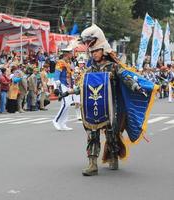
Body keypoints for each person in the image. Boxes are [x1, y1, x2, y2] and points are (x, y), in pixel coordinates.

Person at [62, 24, 158, 176]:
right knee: (92, 135)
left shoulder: (113, 67)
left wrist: (135, 86)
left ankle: (113, 156)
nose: (93, 54)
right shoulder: (90, 69)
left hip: (111, 107)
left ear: (103, 50)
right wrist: (68, 92)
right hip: (94, 107)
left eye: (96, 51)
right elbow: (83, 86)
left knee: (111, 135)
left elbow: (126, 77)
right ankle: (92, 164)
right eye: (91, 52)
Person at [53, 48, 73, 131]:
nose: (72, 54)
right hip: (61, 84)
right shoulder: (60, 62)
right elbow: (57, 73)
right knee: (65, 103)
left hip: (67, 85)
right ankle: (56, 120)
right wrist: (57, 85)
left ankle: (63, 123)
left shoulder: (68, 62)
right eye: (70, 53)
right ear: (66, 54)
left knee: (68, 104)